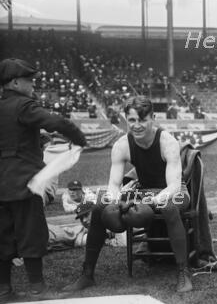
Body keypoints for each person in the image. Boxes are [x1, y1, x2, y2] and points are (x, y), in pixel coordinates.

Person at [62, 96, 193, 293]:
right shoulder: (121, 145)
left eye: (143, 120)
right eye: (132, 120)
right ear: (126, 119)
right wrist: (115, 205)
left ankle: (183, 272)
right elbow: (114, 185)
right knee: (99, 206)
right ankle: (87, 274)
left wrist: (151, 202)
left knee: (169, 206)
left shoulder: (168, 142)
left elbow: (173, 186)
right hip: (143, 190)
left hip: (174, 191)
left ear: (153, 118)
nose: (137, 126)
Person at [0, 58, 87, 302]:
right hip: (25, 183)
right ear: (15, 82)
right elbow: (56, 122)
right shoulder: (24, 106)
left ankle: (4, 290)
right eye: (29, 81)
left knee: (3, 236)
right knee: (32, 233)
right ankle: (38, 289)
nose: (33, 86)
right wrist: (79, 138)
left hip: (2, 183)